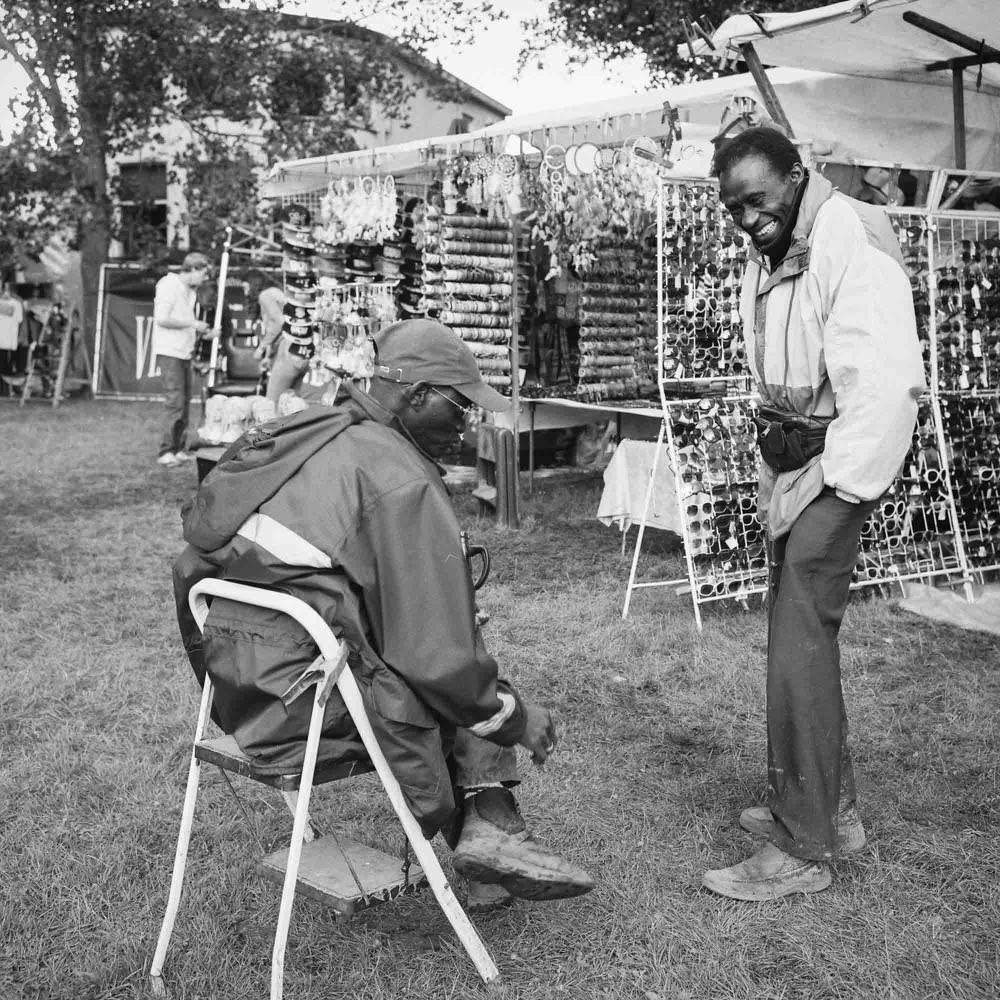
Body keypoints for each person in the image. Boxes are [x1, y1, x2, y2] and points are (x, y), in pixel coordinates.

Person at [172, 318, 594, 907]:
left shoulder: (303, 435)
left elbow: (197, 562)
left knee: (433, 650)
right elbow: (435, 657)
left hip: (238, 683)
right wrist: (514, 716)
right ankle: (492, 824)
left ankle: (491, 832)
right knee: (445, 667)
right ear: (416, 395)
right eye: (461, 405)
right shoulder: (396, 477)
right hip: (305, 707)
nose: (468, 423)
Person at [703, 127, 925, 900]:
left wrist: (846, 485)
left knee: (798, 639)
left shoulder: (847, 233)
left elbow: (887, 380)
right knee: (798, 637)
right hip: (803, 463)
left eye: (757, 199)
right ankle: (834, 809)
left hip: (839, 467)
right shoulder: (781, 242)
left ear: (798, 176)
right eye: (734, 207)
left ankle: (804, 845)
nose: (746, 218)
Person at [153, 252, 213, 467]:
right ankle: (166, 451)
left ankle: (179, 448)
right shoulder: (169, 285)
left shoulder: (190, 292)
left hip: (184, 351)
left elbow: (184, 322)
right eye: (203, 274)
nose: (205, 279)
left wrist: (201, 332)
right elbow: (162, 318)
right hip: (170, 352)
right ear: (193, 269)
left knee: (184, 401)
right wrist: (194, 324)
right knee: (175, 401)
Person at [247, 271, 285, 392]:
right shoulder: (274, 292)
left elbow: (279, 323)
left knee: (274, 393)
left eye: (245, 287)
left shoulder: (265, 296)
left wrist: (261, 348)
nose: (245, 292)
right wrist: (268, 356)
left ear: (253, 284)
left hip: (284, 348)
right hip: (283, 346)